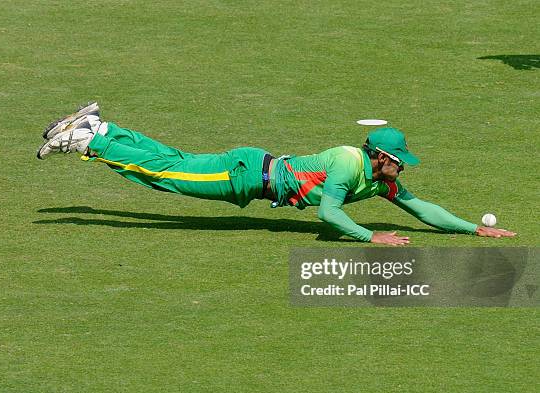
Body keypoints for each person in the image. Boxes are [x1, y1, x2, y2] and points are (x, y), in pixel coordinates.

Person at [36, 102, 516, 245]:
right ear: (379, 156)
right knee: (165, 174)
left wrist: (471, 227)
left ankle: (101, 128)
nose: (400, 169)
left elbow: (419, 205)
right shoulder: (349, 167)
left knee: (174, 160)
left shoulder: (377, 179)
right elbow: (329, 214)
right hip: (243, 177)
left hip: (252, 166)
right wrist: (373, 239)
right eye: (398, 161)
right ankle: (87, 140)